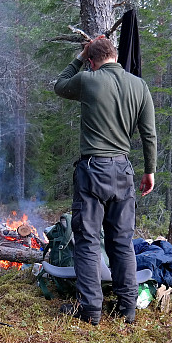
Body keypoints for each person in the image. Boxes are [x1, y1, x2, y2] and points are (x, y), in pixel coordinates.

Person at [53, 36, 157, 325]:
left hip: (93, 169)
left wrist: (78, 57)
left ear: (92, 60)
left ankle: (91, 310)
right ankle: (128, 308)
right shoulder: (139, 86)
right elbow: (149, 133)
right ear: (115, 55)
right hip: (124, 170)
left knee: (87, 241)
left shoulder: (88, 79)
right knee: (121, 242)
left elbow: (60, 85)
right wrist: (150, 170)